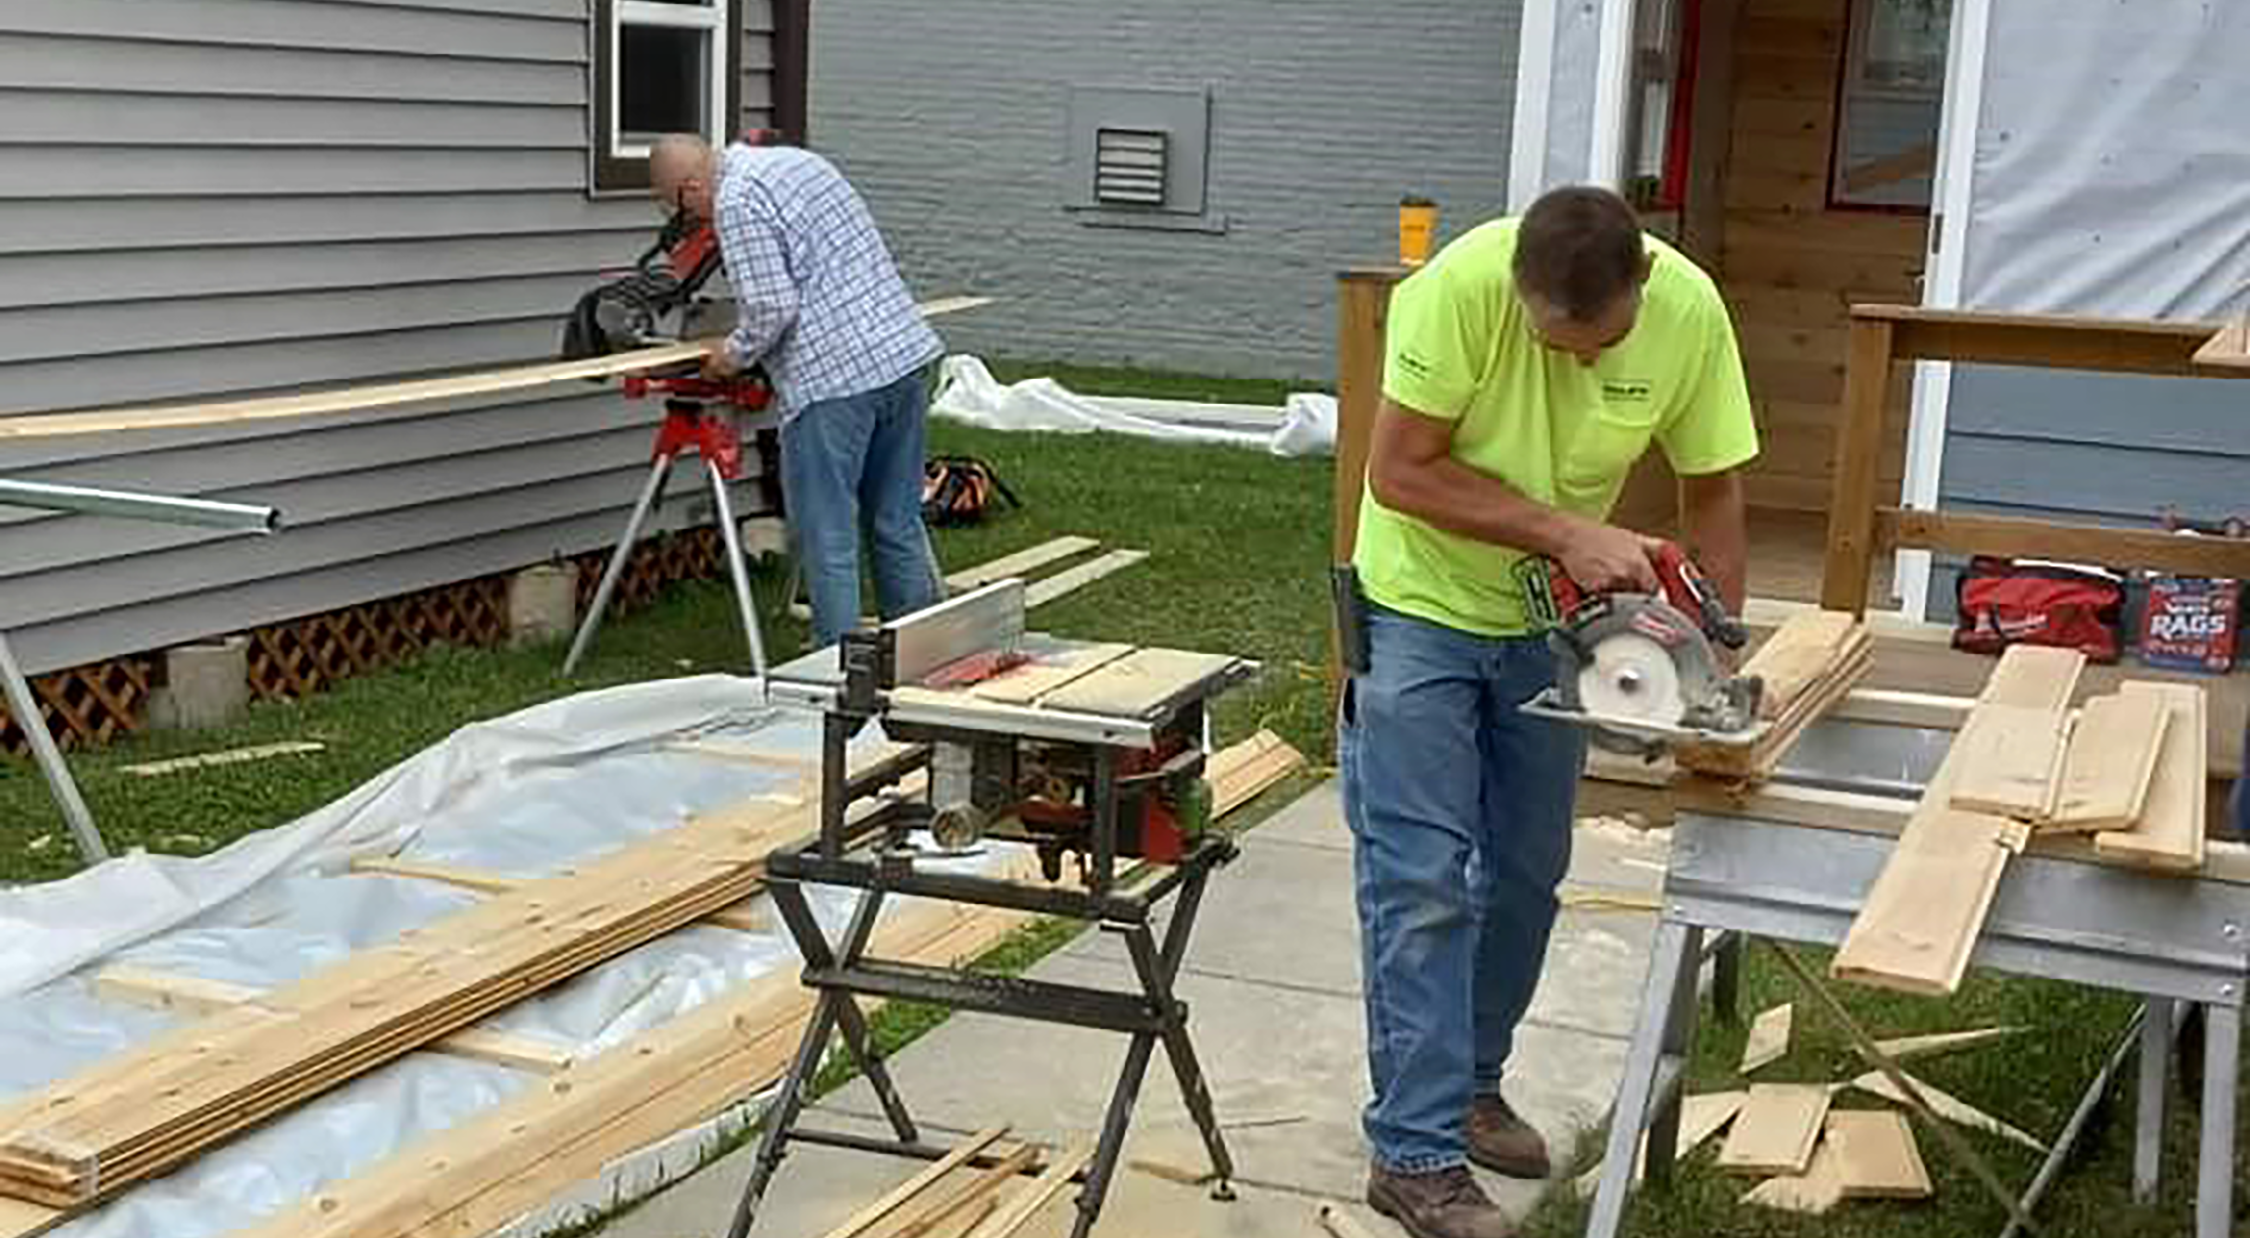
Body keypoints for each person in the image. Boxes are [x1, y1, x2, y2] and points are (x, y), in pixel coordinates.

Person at [1342, 186, 1757, 1238]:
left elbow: (1712, 488)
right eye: (1550, 338)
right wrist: (1566, 531)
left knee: (1528, 872)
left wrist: (1715, 652)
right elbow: (1397, 471)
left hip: (1545, 624)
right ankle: (1416, 1151)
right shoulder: (1458, 291)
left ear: (1642, 289)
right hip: (1418, 610)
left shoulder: (1692, 312)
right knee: (1422, 875)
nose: (1569, 359)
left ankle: (1472, 1086)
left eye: (1594, 344)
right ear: (1520, 290)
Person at [648, 133, 946, 649]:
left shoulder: (737, 202)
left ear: (692, 186)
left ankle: (837, 673)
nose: (695, 219)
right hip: (902, 355)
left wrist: (730, 356)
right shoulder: (798, 162)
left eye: (683, 207)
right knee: (896, 519)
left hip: (833, 379)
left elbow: (771, 309)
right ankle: (919, 661)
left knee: (827, 533)